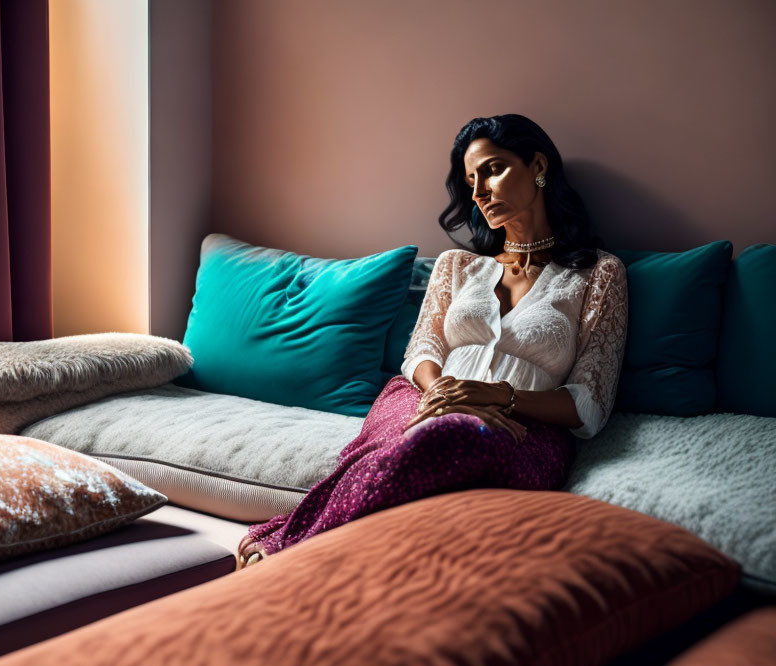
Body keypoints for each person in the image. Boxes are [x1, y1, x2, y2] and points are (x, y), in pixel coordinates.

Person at [237, 114, 628, 568]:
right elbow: (421, 351)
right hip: (423, 394)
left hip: (525, 429)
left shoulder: (598, 274)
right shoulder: (458, 265)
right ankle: (303, 550)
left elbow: (588, 404)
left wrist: (495, 399)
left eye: (493, 170)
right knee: (420, 430)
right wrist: (446, 393)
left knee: (451, 435)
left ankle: (286, 545)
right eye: (470, 180)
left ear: (537, 164)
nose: (478, 192)